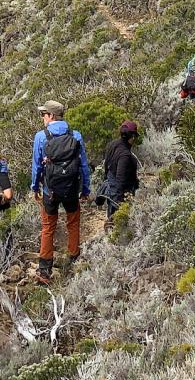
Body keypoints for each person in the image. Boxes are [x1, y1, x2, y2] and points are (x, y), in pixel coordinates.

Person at [31, 100, 91, 284]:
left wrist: (35, 187)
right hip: (72, 188)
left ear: (52, 116)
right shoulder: (76, 135)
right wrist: (85, 188)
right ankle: (74, 259)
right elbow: (83, 166)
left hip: (50, 190)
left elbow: (36, 167)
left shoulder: (41, 137)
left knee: (48, 227)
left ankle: (44, 270)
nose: (42, 118)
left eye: (44, 114)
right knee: (73, 222)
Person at [101, 121, 140, 223]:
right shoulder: (125, 155)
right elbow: (120, 177)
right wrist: (119, 201)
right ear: (132, 136)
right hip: (120, 193)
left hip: (111, 186)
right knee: (119, 222)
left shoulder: (113, 144)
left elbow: (106, 165)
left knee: (112, 219)